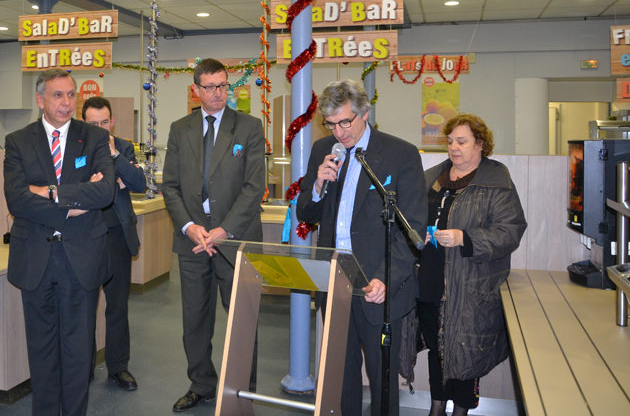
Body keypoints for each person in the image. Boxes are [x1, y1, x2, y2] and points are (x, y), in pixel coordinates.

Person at [296, 79, 427, 416]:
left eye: (345, 122)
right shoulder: (323, 151)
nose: (339, 132)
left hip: (377, 285)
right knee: (342, 374)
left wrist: (387, 277)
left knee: (382, 381)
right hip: (335, 277)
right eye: (331, 123)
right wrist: (318, 185)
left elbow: (411, 229)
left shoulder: (400, 154)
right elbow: (306, 214)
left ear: (364, 113)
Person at [3, 68, 115, 416]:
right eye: (58, 95)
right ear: (40, 99)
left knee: (79, 349)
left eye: (71, 94)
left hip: (81, 258)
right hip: (35, 257)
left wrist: (49, 192)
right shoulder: (18, 140)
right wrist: (68, 209)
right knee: (41, 349)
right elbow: (17, 200)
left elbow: (103, 192)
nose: (67, 102)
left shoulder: (93, 137)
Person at [162, 58, 265, 412]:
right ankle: (202, 384)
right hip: (193, 242)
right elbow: (170, 186)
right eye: (210, 87)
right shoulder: (180, 129)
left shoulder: (249, 127)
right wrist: (191, 227)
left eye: (223, 85)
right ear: (196, 90)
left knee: (241, 318)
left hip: (234, 239)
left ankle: (242, 390)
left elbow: (254, 187)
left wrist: (224, 229)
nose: (218, 93)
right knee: (195, 320)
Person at [412, 113, 527, 416]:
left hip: (471, 285)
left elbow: (510, 231)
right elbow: (413, 218)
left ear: (480, 144)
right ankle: (437, 406)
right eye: (450, 142)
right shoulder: (432, 178)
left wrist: (465, 237)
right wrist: (417, 231)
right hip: (430, 280)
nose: (454, 148)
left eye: (461, 142)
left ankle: (461, 410)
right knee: (437, 350)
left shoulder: (495, 181)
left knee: (464, 350)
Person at [82, 96, 147, 391]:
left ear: (112, 122)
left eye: (104, 122)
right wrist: (111, 183)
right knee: (83, 306)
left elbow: (138, 183)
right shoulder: (75, 148)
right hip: (84, 236)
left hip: (118, 236)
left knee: (118, 305)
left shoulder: (123, 147)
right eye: (93, 123)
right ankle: (82, 366)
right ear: (83, 123)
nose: (99, 127)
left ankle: (118, 367)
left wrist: (115, 158)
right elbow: (79, 186)